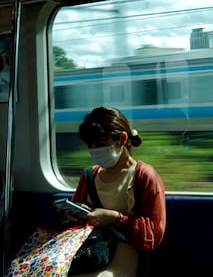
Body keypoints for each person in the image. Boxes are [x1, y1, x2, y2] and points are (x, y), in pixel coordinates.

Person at [67, 105, 167, 276]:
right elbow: (76, 218)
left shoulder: (143, 176)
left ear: (121, 139)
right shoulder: (90, 176)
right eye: (90, 146)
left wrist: (114, 218)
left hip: (124, 255)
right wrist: (75, 214)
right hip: (91, 251)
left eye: (100, 144)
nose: (94, 151)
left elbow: (154, 233)